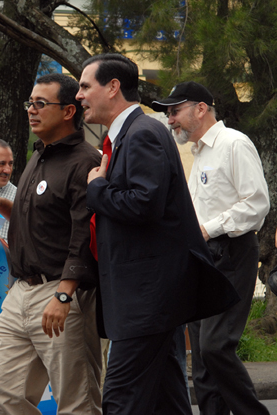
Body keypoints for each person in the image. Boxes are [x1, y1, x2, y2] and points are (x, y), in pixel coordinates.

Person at [79, 53, 239, 415]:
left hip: (146, 301)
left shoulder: (141, 133)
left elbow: (142, 204)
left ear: (113, 87)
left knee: (119, 399)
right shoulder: (131, 135)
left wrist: (97, 188)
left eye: (86, 86)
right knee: (168, 400)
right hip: (150, 300)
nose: (79, 95)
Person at [0, 73, 103, 414]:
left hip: (61, 293)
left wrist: (64, 294)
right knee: (3, 396)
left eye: (41, 103)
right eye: (30, 102)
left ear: (68, 112)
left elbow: (83, 233)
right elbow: (44, 217)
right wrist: (4, 205)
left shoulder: (84, 161)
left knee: (77, 403)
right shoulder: (38, 156)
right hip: (20, 293)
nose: (32, 110)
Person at [152, 81, 270, 415]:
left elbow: (257, 204)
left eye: (175, 111)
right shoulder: (199, 151)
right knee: (202, 361)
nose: (170, 119)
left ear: (200, 109)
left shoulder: (234, 143)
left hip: (231, 252)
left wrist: (207, 229)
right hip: (201, 255)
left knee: (215, 346)